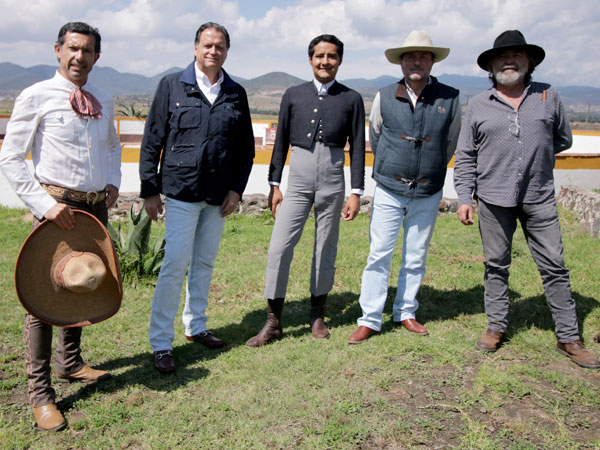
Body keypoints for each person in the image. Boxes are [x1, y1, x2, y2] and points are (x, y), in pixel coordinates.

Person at [0, 22, 122, 431]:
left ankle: (70, 362)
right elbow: (11, 157)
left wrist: (113, 181)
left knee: (83, 284)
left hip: (94, 208)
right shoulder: (36, 95)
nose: (79, 57)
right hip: (56, 208)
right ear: (58, 50)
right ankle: (40, 394)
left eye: (87, 51)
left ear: (96, 57)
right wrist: (45, 206)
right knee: (44, 299)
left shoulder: (103, 97)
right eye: (72, 48)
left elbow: (111, 147)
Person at [454, 30, 600, 369]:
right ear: (491, 66)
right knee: (496, 265)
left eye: (516, 55)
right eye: (502, 57)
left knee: (554, 267)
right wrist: (464, 196)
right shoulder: (478, 105)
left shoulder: (549, 96)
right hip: (493, 198)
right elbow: (465, 155)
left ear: (528, 61)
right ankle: (496, 326)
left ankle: (569, 336)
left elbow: (562, 139)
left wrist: (537, 156)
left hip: (539, 196)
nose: (509, 61)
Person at [140, 22, 254, 373]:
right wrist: (149, 189)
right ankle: (161, 342)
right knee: (175, 265)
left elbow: (245, 149)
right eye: (207, 45)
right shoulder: (172, 85)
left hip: (218, 196)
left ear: (226, 51)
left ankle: (196, 325)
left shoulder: (235, 93)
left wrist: (237, 189)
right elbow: (153, 139)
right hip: (181, 192)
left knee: (204, 262)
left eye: (219, 46)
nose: (213, 51)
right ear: (195, 48)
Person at [246, 34, 365, 347]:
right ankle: (273, 322)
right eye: (319, 56)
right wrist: (274, 184)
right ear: (310, 59)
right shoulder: (293, 94)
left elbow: (357, 147)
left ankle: (317, 315)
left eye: (332, 56)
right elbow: (281, 141)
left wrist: (356, 191)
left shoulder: (352, 98)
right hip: (298, 178)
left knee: (326, 246)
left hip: (333, 178)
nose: (325, 62)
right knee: (279, 247)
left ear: (340, 60)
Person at [348, 30, 460, 344]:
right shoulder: (384, 95)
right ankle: (370, 318)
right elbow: (376, 135)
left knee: (416, 255)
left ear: (432, 61)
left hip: (428, 190)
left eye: (423, 56)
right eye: (410, 56)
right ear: (401, 62)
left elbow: (451, 141)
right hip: (388, 188)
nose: (416, 62)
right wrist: (393, 164)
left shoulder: (450, 98)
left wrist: (430, 166)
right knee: (378, 254)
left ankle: (406, 311)